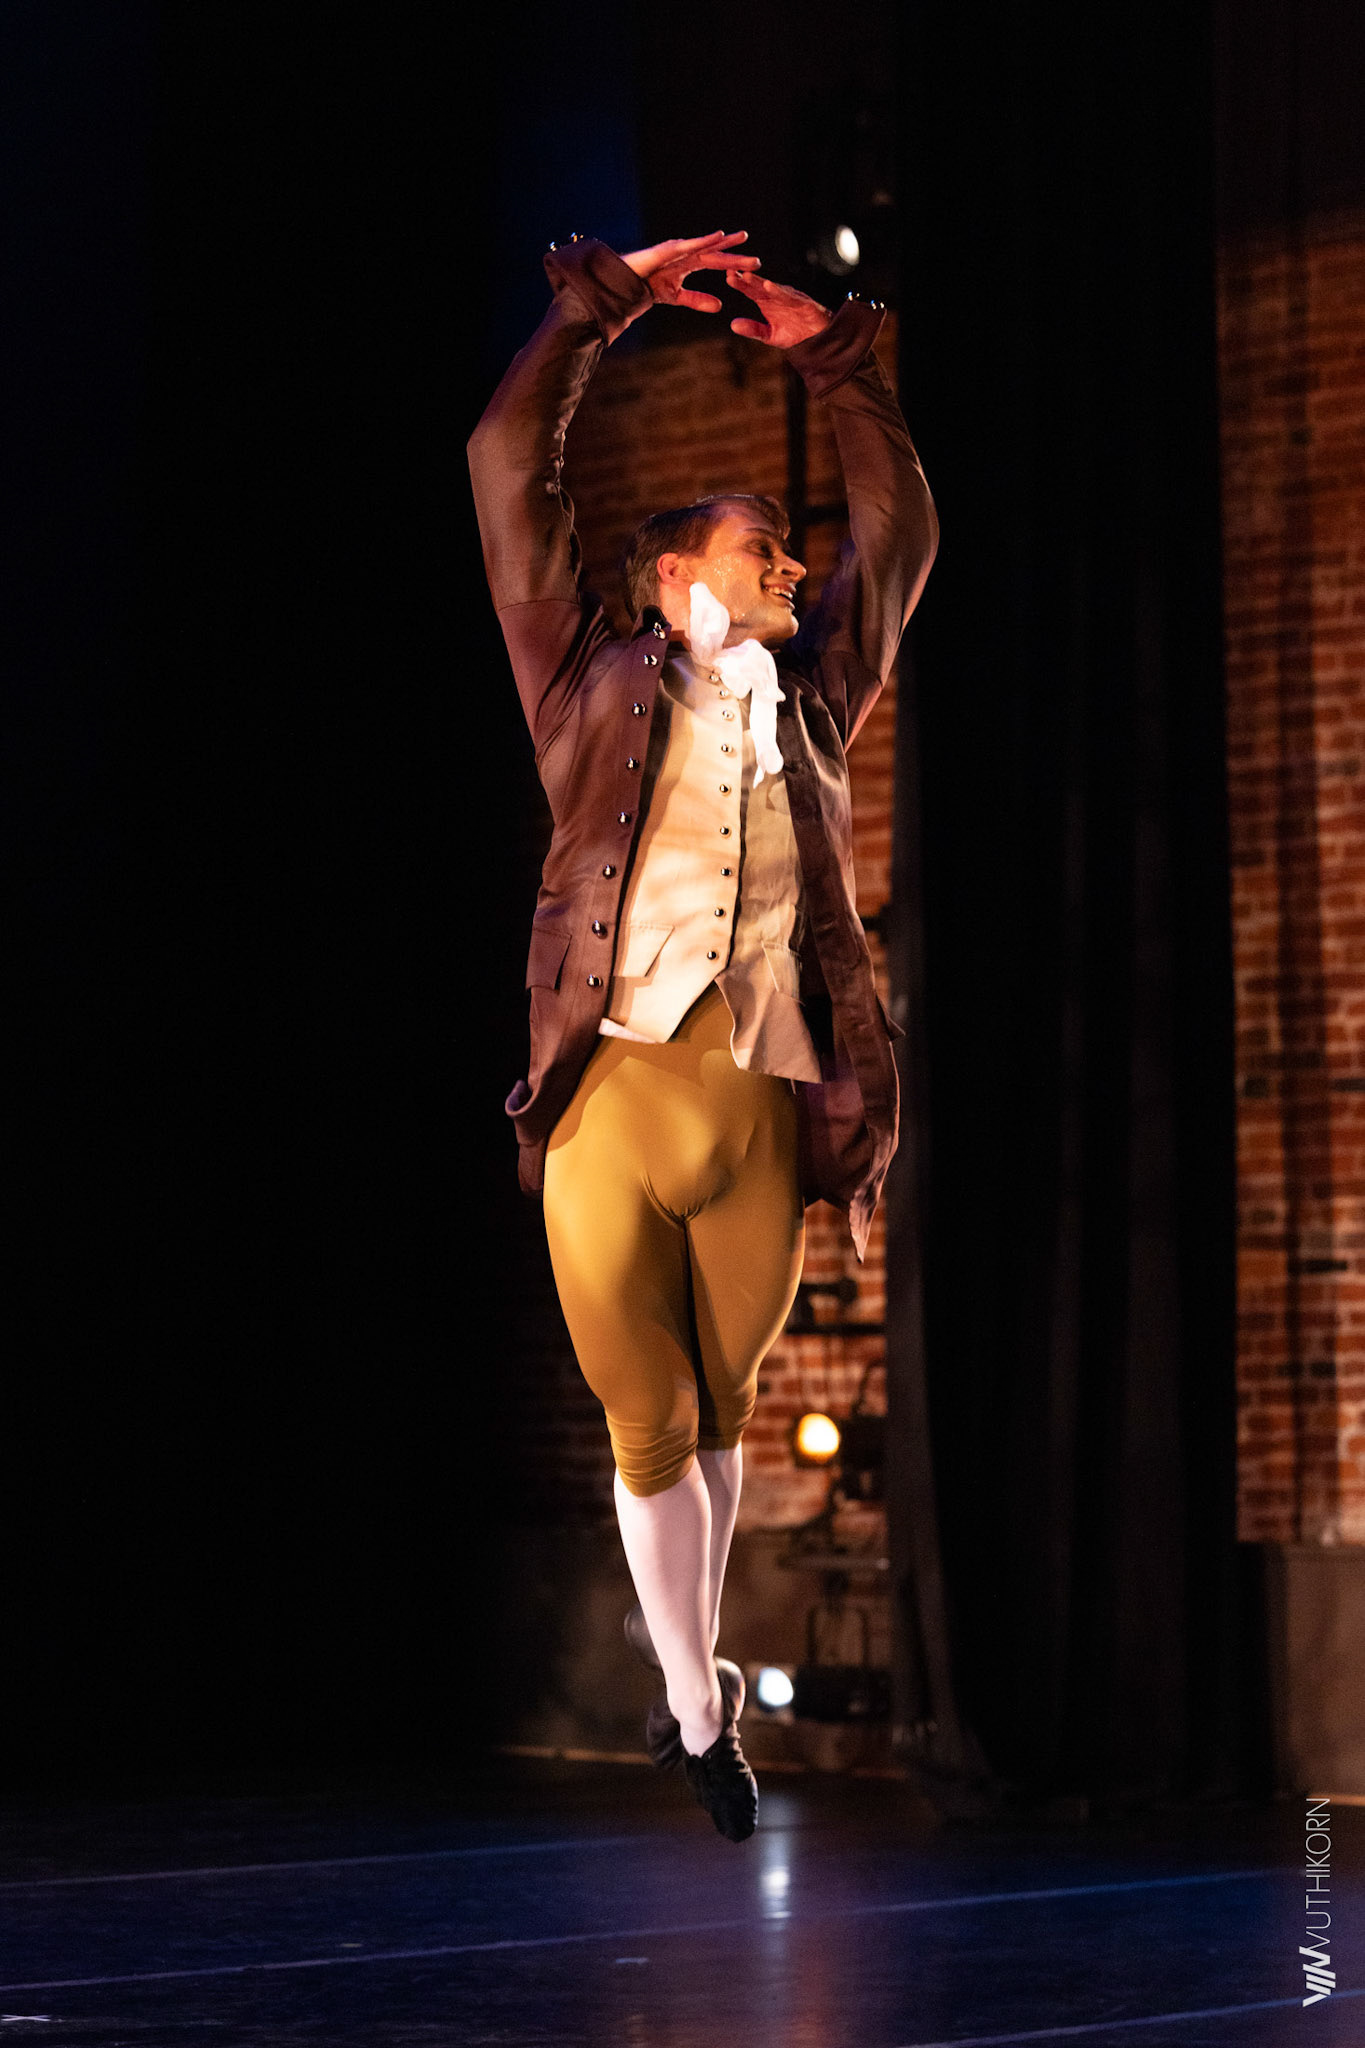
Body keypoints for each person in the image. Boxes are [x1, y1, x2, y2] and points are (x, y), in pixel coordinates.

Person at [468, 228, 937, 1840]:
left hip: (758, 1109)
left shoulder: (811, 710)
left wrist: (838, 361)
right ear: (677, 581)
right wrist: (595, 310)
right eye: (758, 550)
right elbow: (505, 467)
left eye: (789, 554)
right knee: (645, 1416)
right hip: (610, 1103)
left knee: (724, 1424)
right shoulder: (584, 687)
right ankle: (691, 1709)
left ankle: (697, 1684)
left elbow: (900, 537)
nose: (790, 568)